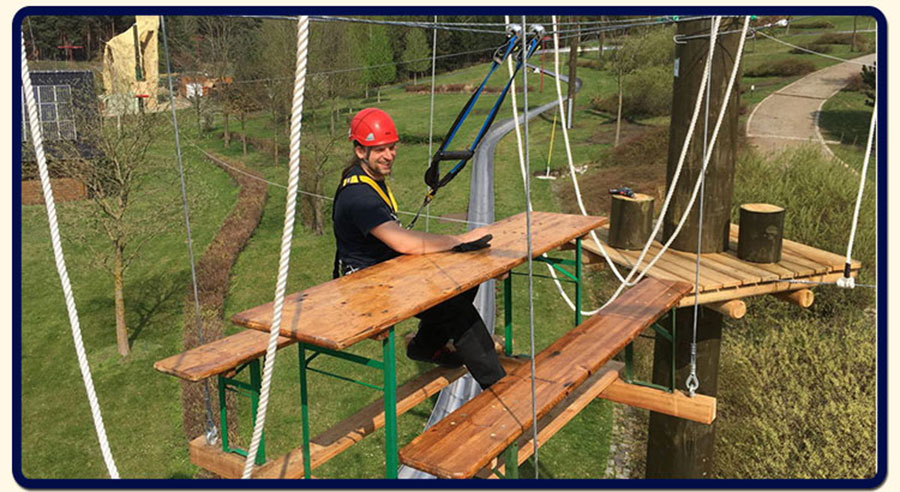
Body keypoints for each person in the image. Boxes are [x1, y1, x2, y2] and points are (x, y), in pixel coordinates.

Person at [332, 108, 505, 390]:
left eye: (392, 147)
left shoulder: (368, 180)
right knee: (456, 308)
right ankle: (498, 385)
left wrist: (461, 248)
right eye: (380, 150)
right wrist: (456, 239)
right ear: (360, 151)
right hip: (367, 286)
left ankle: (426, 345)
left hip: (387, 272)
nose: (389, 155)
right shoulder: (359, 196)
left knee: (464, 275)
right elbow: (401, 242)